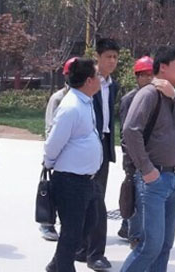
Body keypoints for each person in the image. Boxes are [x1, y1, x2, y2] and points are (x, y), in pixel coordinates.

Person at [121, 47, 175, 272]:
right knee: (150, 247)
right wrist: (147, 169)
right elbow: (130, 131)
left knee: (165, 246)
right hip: (153, 181)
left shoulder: (174, 96)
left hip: (174, 177)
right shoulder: (148, 94)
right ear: (163, 67)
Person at [44, 58, 104, 272]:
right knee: (72, 233)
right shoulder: (71, 107)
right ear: (89, 81)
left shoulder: (85, 101)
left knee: (88, 225)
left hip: (87, 179)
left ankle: (55, 265)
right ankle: (62, 267)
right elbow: (53, 143)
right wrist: (49, 163)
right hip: (70, 181)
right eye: (97, 75)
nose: (100, 79)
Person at [76, 38, 120, 271]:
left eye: (115, 57)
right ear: (98, 57)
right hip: (84, 144)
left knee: (97, 199)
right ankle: (84, 248)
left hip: (103, 145)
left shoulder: (112, 85)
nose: (112, 61)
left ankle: (95, 253)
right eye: (108, 57)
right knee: (87, 199)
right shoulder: (88, 80)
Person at [117, 56, 154, 246]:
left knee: (144, 197)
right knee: (135, 195)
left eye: (151, 74)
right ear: (137, 77)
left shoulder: (157, 97)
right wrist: (131, 158)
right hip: (134, 157)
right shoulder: (129, 99)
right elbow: (126, 133)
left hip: (152, 156)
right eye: (144, 75)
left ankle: (127, 226)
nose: (148, 78)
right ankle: (135, 236)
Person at [40, 56, 77, 242]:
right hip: (58, 153)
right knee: (51, 189)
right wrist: (51, 154)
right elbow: (50, 127)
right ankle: (47, 222)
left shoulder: (84, 97)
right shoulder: (58, 98)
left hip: (74, 156)